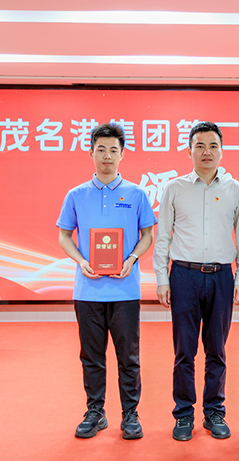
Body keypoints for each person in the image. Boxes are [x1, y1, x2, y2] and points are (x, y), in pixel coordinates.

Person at [152, 121, 239, 441]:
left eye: (213, 146)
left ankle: (214, 411)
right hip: (183, 276)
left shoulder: (234, 189)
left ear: (222, 151)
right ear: (189, 151)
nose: (206, 152)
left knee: (216, 350)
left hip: (222, 277)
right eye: (200, 146)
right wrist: (162, 279)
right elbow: (163, 237)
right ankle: (184, 414)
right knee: (184, 351)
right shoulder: (175, 188)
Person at [57, 123, 156, 440]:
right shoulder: (76, 195)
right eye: (101, 149)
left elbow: (147, 235)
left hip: (125, 290)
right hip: (88, 290)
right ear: (91, 153)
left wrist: (131, 259)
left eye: (114, 150)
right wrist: (81, 260)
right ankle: (95, 412)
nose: (107, 156)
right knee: (91, 356)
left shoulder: (136, 194)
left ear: (122, 154)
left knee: (128, 357)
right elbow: (64, 235)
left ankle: (130, 414)